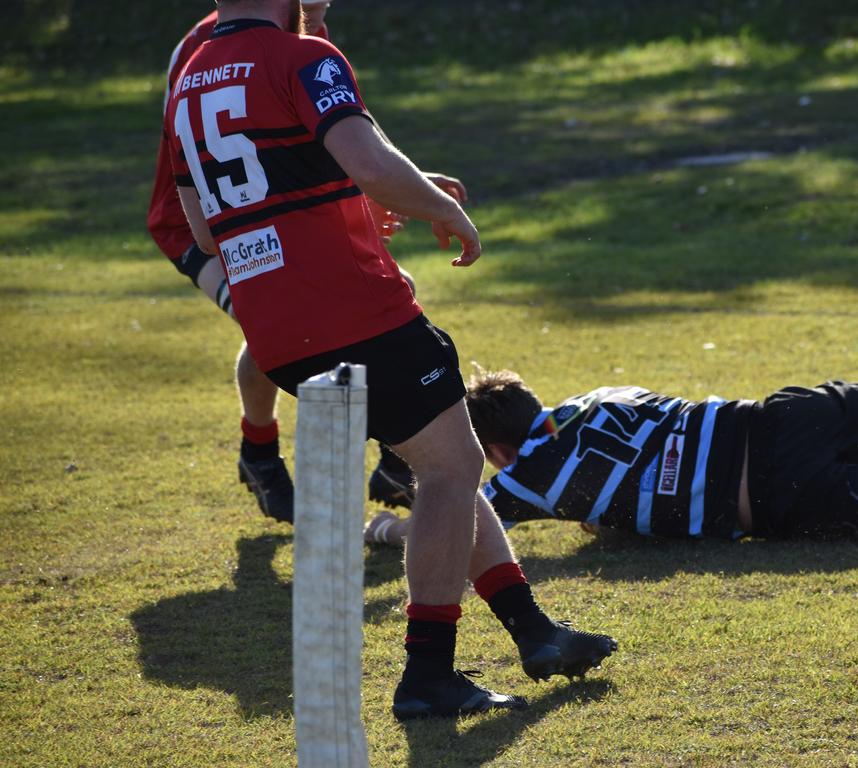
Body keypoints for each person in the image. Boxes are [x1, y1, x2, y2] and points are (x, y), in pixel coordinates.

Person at [165, 0, 617, 720]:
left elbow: (205, 225)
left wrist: (324, 204)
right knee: (450, 469)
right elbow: (371, 162)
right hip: (354, 311)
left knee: (446, 461)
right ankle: (429, 676)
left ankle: (533, 631)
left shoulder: (190, 75)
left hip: (274, 331)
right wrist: (444, 208)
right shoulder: (305, 57)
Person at [146, 0, 428, 523]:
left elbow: (333, 128)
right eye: (313, 7)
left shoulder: (295, 30)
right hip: (201, 221)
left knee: (357, 303)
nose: (320, 16)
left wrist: (404, 184)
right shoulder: (210, 48)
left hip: (263, 212)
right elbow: (220, 155)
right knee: (284, 327)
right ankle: (261, 453)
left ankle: (395, 456)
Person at [366, 352, 858, 546]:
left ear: (497, 452)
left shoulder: (521, 483)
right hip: (781, 421)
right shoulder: (601, 392)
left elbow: (451, 521)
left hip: (780, 502)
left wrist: (384, 528)